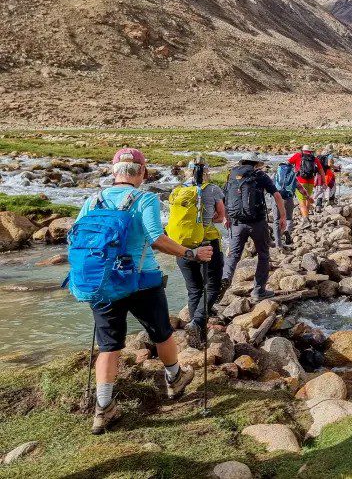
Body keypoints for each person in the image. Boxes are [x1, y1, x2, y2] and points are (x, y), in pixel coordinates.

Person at [75, 148, 213, 434]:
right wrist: (192, 254)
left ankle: (103, 408)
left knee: (109, 345)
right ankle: (174, 379)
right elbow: (156, 238)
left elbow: (78, 236)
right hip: (142, 279)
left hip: (101, 281)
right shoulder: (145, 198)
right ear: (142, 173)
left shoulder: (92, 200)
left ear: (114, 173)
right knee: (161, 332)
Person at [168, 156, 225, 350]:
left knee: (194, 290)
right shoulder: (213, 189)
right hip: (208, 243)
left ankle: (197, 338)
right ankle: (198, 322)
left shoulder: (176, 191)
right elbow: (220, 217)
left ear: (187, 171)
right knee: (213, 285)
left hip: (182, 246)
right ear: (206, 171)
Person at [221, 153, 286, 301]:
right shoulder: (259, 175)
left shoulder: (232, 174)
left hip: (236, 222)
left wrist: (226, 217)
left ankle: (223, 282)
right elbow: (276, 196)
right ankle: (258, 291)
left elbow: (225, 198)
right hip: (257, 222)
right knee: (263, 254)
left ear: (242, 162)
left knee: (233, 256)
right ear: (256, 163)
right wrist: (282, 216)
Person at [287, 145, 324, 224]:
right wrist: (324, 182)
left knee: (302, 202)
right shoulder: (314, 158)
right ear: (311, 151)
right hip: (310, 182)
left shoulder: (298, 155)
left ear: (302, 150)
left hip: (300, 182)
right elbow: (321, 171)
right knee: (308, 199)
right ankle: (307, 217)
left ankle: (305, 220)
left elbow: (287, 164)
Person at [272, 159, 297, 247]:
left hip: (277, 198)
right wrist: (308, 197)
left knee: (276, 220)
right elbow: (299, 187)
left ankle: (278, 243)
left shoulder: (276, 174)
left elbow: (269, 185)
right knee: (289, 218)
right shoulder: (292, 174)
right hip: (288, 198)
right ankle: (287, 230)